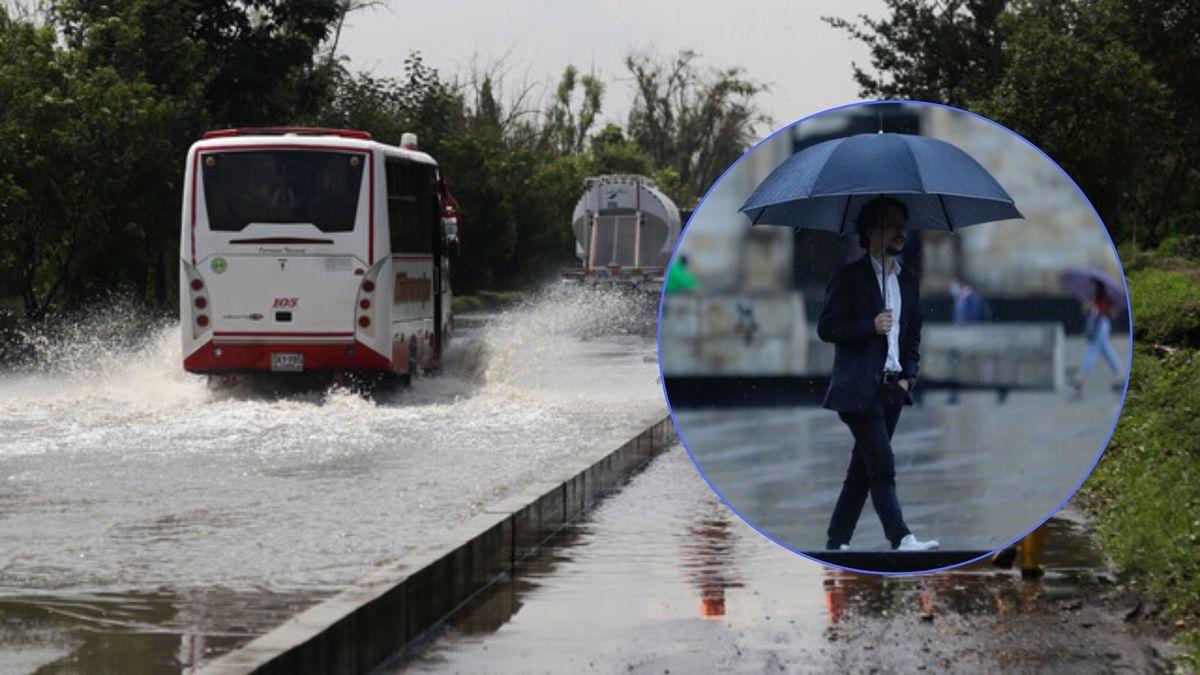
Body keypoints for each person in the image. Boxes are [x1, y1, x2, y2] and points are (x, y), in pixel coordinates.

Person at [818, 197, 939, 552]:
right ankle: (901, 538)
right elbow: (827, 328)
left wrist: (908, 378)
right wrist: (869, 326)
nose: (901, 232)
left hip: (893, 390)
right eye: (892, 226)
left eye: (903, 226)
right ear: (871, 231)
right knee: (883, 466)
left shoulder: (909, 280)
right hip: (857, 389)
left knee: (861, 473)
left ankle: (836, 541)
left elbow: (913, 335)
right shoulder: (848, 278)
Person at [1071, 279, 1123, 395]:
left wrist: (1103, 308)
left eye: (1093, 285)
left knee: (1092, 347)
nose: (1091, 287)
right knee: (1105, 349)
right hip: (1095, 322)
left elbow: (1111, 313)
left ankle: (1081, 375)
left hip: (1102, 323)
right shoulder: (1092, 296)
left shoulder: (1106, 297)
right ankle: (1118, 373)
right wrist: (1089, 305)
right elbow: (1085, 310)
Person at [947, 279, 988, 405]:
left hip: (968, 337)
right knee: (954, 365)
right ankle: (954, 394)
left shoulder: (973, 298)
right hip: (959, 336)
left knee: (958, 365)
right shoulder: (959, 298)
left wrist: (970, 332)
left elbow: (974, 317)